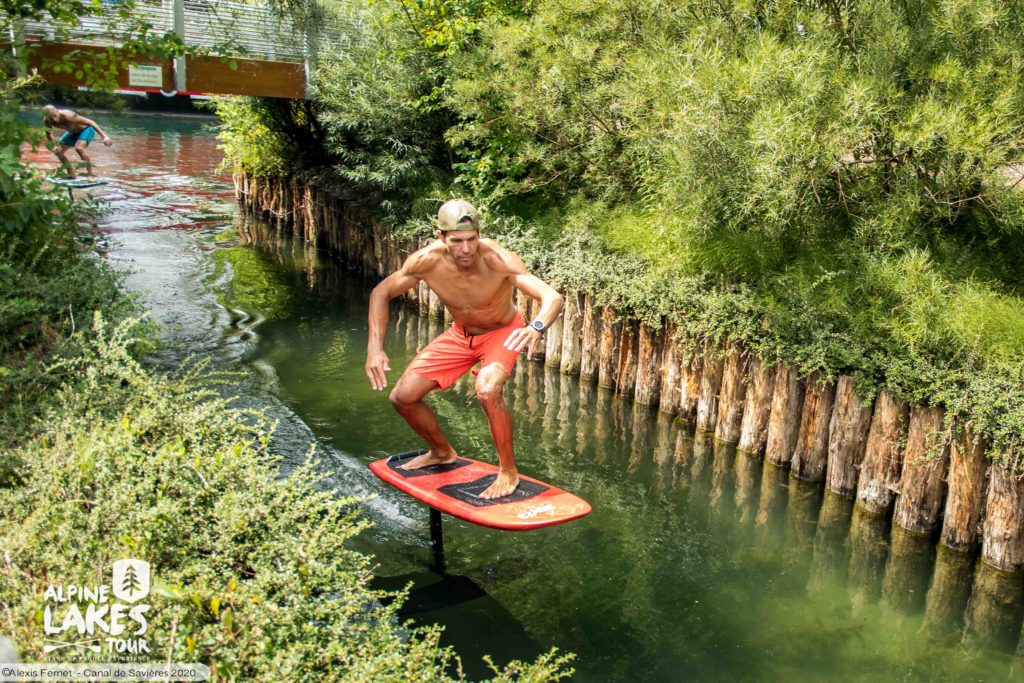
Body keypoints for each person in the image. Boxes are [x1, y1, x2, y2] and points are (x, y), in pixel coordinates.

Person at [366, 200, 564, 499]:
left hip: (502, 333)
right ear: (441, 236)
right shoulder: (425, 261)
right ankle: (441, 452)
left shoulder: (498, 258)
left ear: (479, 233)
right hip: (460, 336)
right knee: (402, 397)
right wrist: (375, 349)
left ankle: (508, 471)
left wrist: (535, 327)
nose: (466, 249)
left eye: (472, 239)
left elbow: (552, 296)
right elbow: (381, 292)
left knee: (487, 389)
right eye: (457, 241)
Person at [42, 105, 113, 178]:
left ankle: (90, 175)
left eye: (55, 116)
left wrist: (104, 136)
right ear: (46, 117)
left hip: (86, 130)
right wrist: (55, 145)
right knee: (57, 151)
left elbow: (91, 122)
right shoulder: (47, 122)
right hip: (72, 132)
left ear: (57, 111)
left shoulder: (68, 115)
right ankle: (71, 174)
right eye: (51, 118)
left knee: (79, 148)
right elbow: (49, 134)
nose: (54, 119)